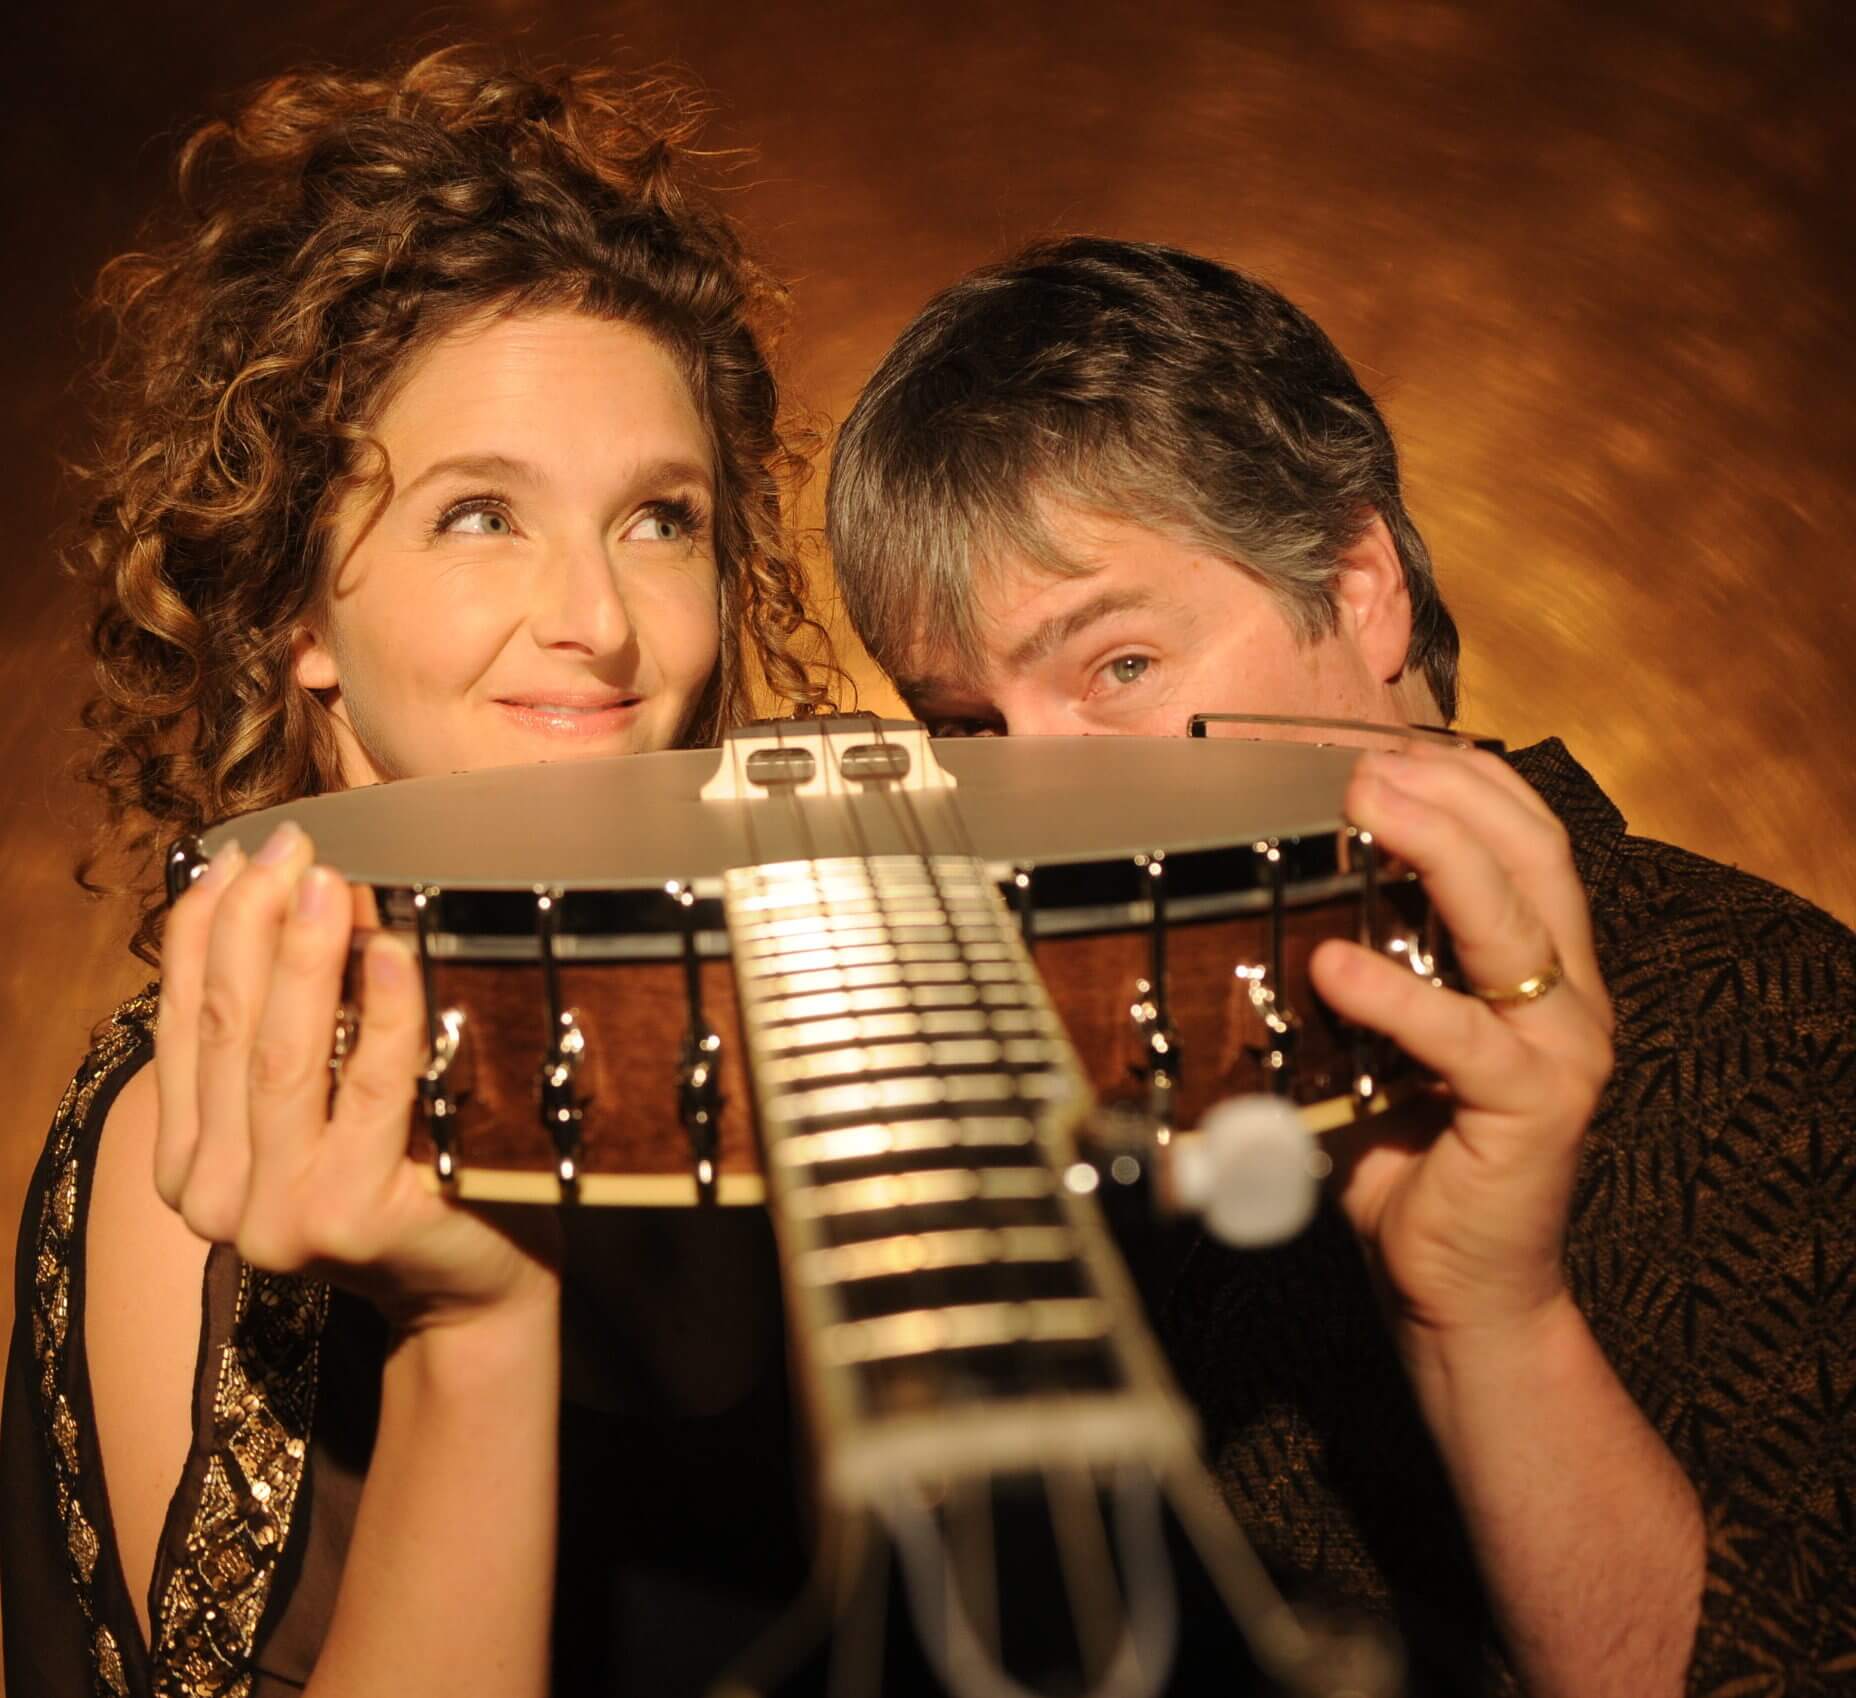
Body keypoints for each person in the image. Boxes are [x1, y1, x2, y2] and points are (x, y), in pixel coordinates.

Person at [823, 236, 1856, 1696]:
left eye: (1119, 666)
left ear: (1359, 583)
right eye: (971, 729)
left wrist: (1493, 1320)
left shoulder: (1773, 1017)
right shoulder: (1029, 1092)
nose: (1036, 799)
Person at [2, 48, 830, 1698]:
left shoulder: (818, 1051)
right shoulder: (196, 1128)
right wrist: (475, 1331)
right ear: (302, 613)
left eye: (662, 519)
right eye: (478, 516)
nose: (598, 621)